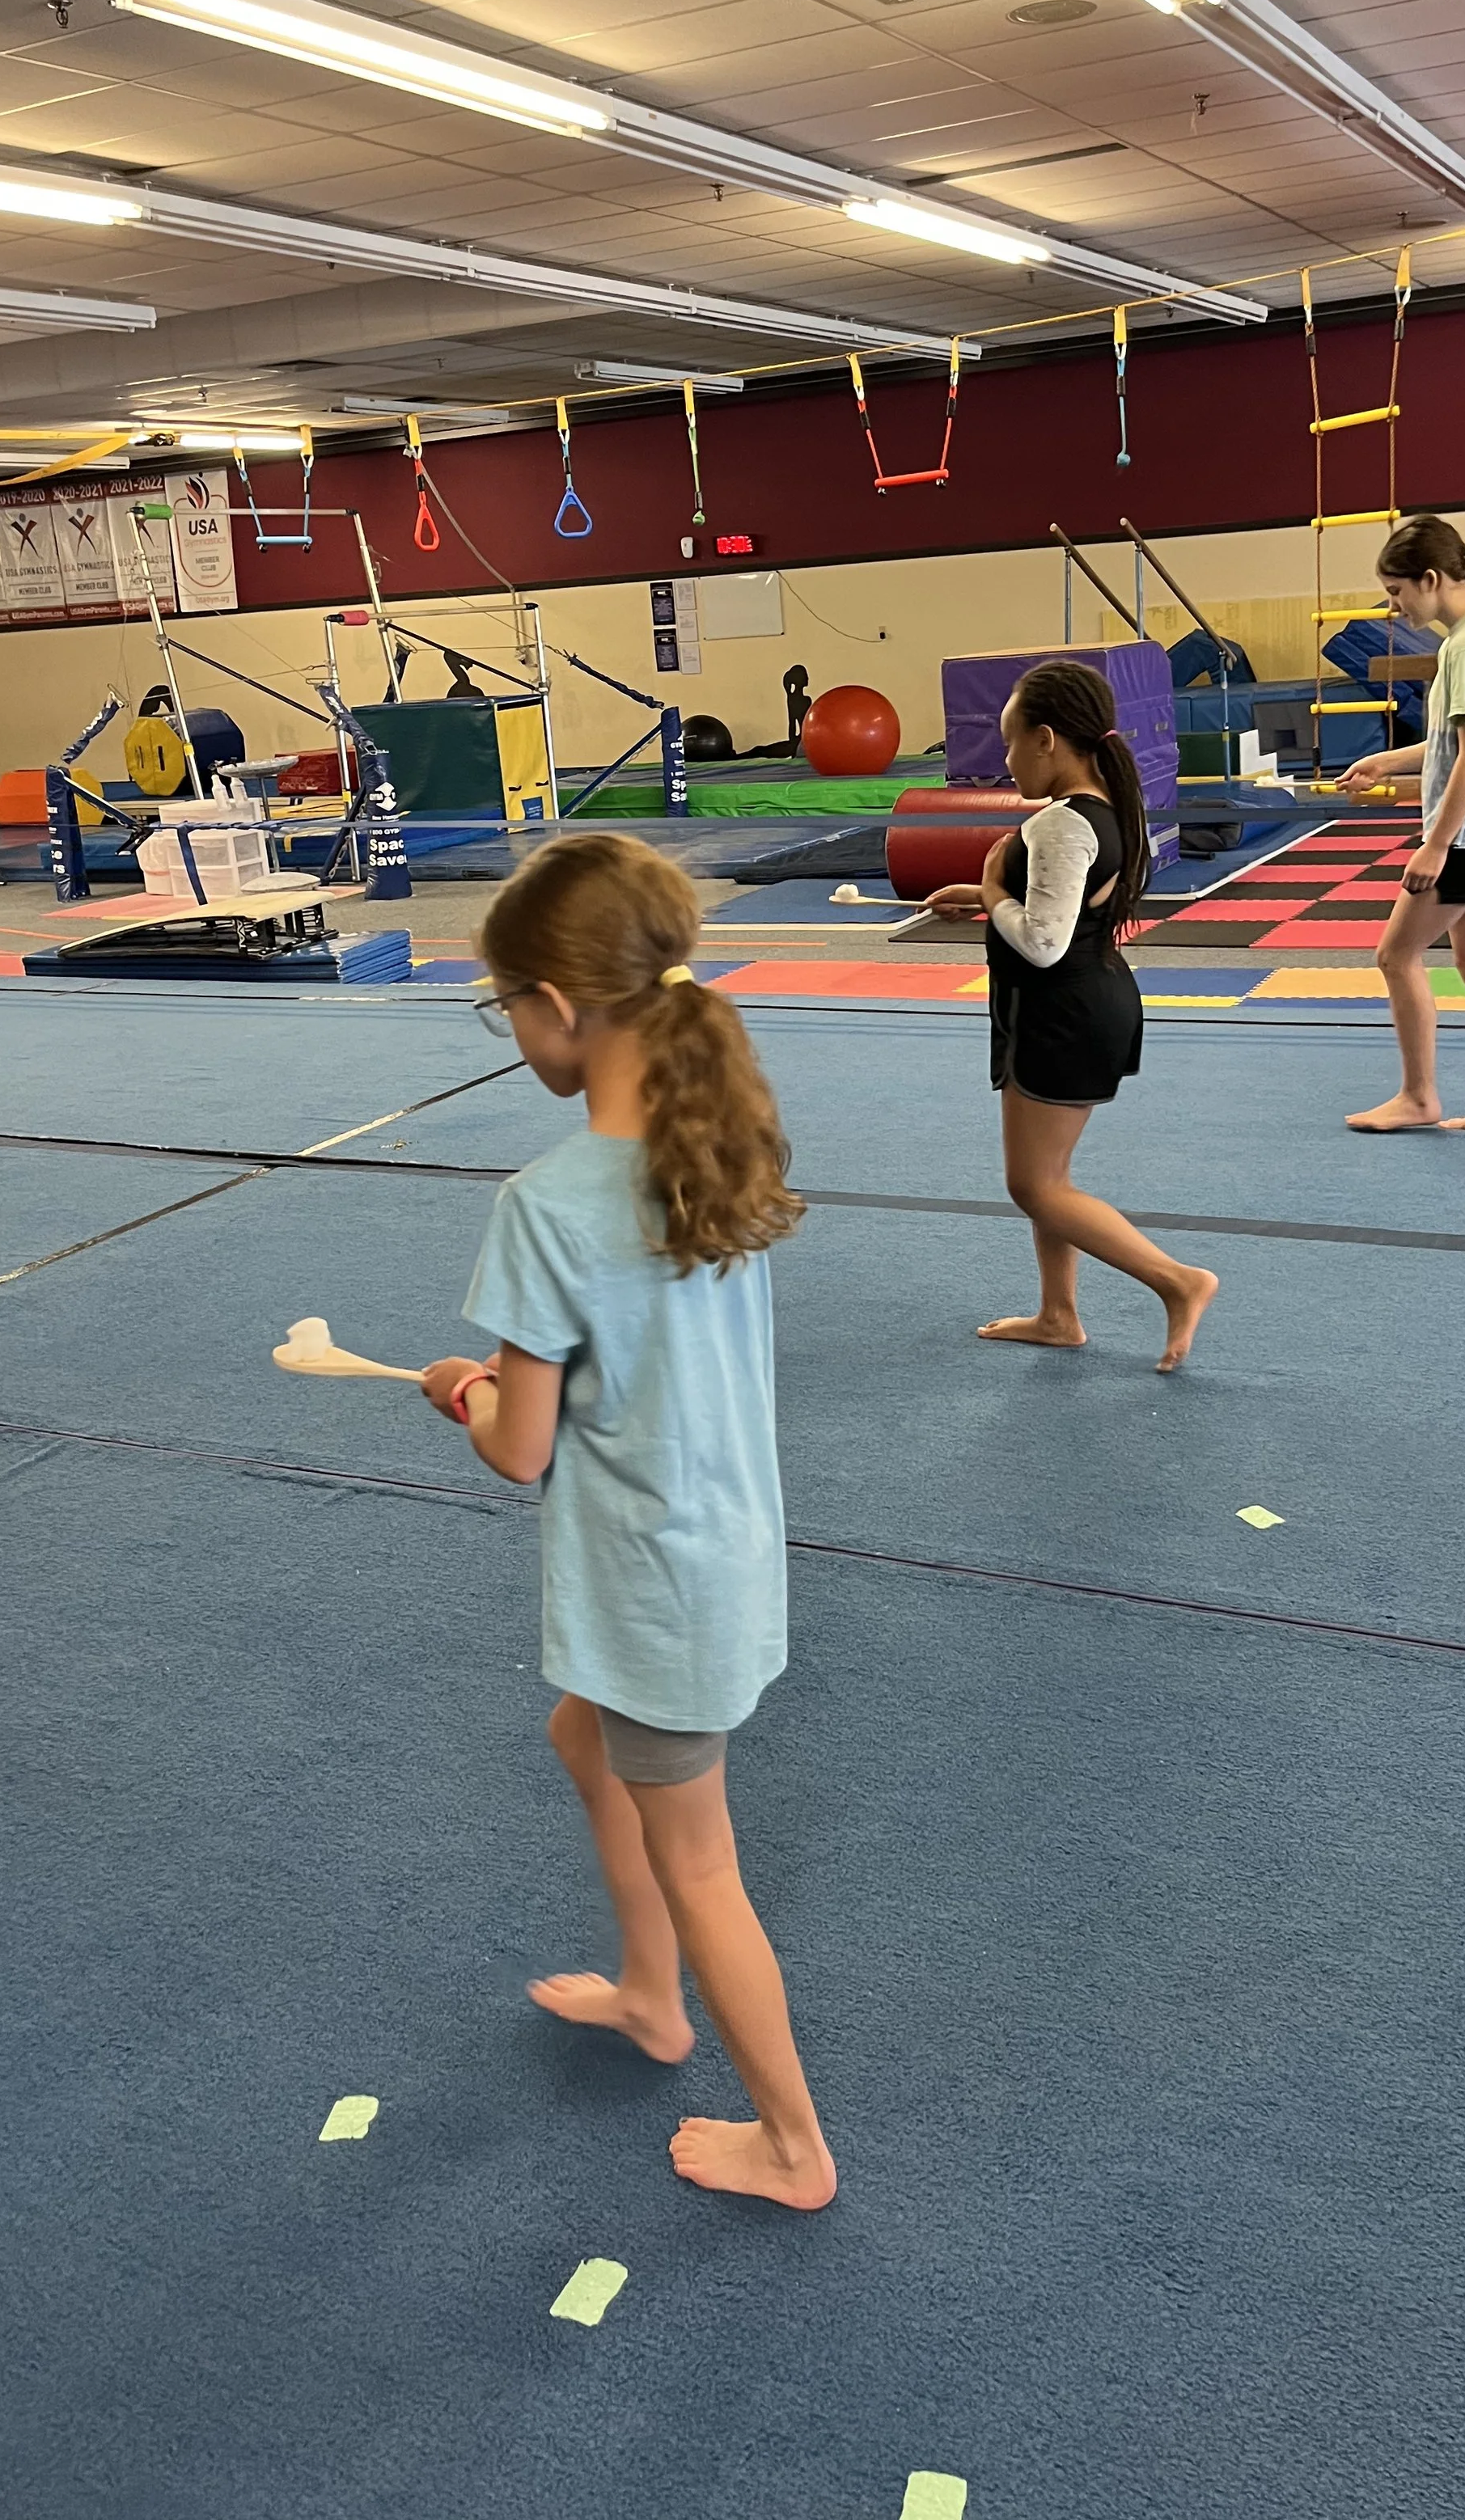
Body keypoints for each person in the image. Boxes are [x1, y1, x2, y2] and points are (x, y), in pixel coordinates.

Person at [420, 831, 836, 2211]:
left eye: (504, 1006)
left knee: (703, 1861)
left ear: (552, 1002)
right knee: (576, 1733)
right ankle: (654, 1992)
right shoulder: (713, 1141)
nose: (512, 1030)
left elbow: (519, 1449)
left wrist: (464, 1392)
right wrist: (509, 1384)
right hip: (717, 1547)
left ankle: (793, 2140)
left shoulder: (545, 1204)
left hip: (656, 1582)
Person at [925, 658, 1217, 1371]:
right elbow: (1067, 911)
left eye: (1009, 741)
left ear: (1047, 739)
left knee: (1034, 1185)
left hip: (1062, 1008)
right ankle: (1059, 1314)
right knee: (1048, 1177)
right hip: (1078, 1002)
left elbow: (1046, 944)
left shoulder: (1061, 823)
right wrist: (986, 892)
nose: (1005, 758)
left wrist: (995, 889)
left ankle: (1178, 1281)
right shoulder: (1107, 807)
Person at [1336, 515, 1465, 1133]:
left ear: (1431, 578)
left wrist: (1435, 845)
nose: (1394, 607)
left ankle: (1419, 1096)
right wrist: (1385, 760)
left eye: (1398, 592)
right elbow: (1457, 742)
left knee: (1395, 955)